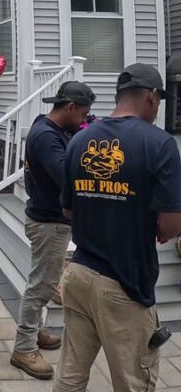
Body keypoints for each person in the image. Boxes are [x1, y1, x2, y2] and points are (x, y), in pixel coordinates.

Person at [55, 63, 181, 391]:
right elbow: (171, 224)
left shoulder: (80, 140)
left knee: (70, 374)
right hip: (124, 284)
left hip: (79, 274)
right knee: (132, 381)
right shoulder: (160, 144)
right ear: (151, 97)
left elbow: (68, 209)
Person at [10, 80, 94, 380]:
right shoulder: (47, 137)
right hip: (49, 223)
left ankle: (37, 331)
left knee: (43, 282)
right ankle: (23, 348)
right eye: (83, 113)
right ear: (69, 107)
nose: (85, 119)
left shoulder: (47, 126)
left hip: (48, 220)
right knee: (41, 286)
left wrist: (81, 130)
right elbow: (66, 177)